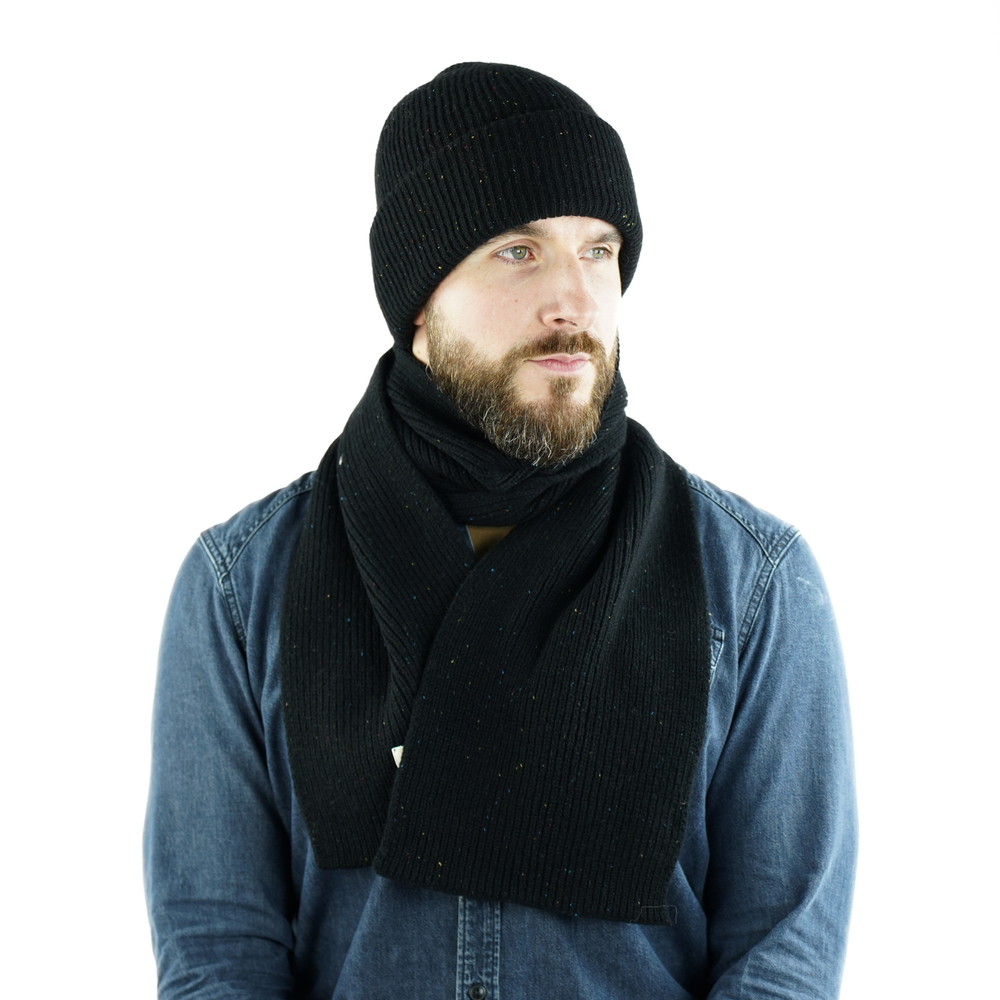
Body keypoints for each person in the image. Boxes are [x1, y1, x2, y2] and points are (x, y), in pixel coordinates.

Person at [144, 62, 857, 999]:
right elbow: (216, 953)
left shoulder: (750, 581)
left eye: (598, 250)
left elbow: (782, 956)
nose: (574, 299)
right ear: (419, 301)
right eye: (519, 251)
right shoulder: (243, 585)